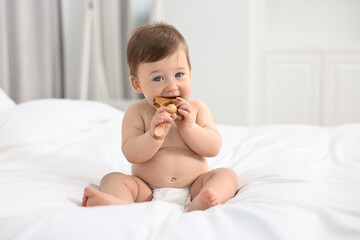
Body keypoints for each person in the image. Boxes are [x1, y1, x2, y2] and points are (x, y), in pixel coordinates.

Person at [82, 22, 238, 212]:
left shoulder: (197, 109)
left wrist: (189, 128)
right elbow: (131, 153)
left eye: (179, 74)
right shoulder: (137, 112)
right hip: (147, 189)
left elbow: (213, 148)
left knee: (227, 176)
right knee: (112, 179)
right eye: (158, 78)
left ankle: (203, 201)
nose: (171, 86)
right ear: (137, 84)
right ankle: (118, 203)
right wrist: (153, 136)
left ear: (190, 73)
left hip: (194, 187)